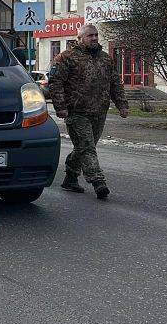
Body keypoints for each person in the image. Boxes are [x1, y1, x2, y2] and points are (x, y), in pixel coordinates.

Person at [48, 23, 129, 200]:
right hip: (76, 112)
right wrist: (60, 107)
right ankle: (98, 182)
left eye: (96, 35)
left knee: (84, 148)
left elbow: (115, 83)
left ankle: (70, 177)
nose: (94, 38)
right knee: (87, 147)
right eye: (89, 35)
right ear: (80, 38)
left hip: (99, 111)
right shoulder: (66, 58)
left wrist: (122, 105)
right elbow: (55, 83)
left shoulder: (106, 59)